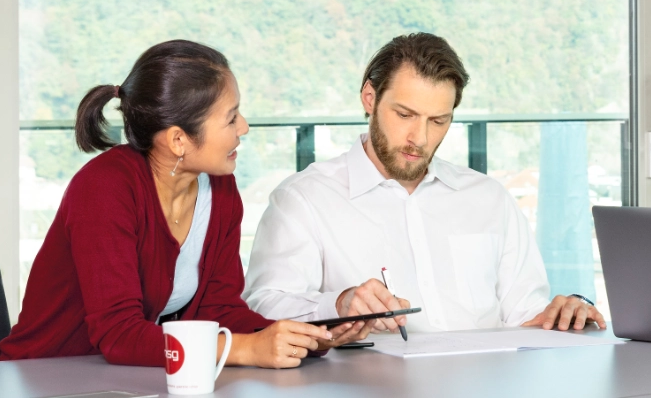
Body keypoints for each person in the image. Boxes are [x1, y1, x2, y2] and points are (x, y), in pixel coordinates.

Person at [0, 40, 345, 368]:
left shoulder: (219, 188)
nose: (244, 127)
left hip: (130, 384)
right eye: (231, 117)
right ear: (178, 139)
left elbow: (220, 310)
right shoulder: (104, 188)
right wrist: (246, 349)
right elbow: (119, 335)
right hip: (44, 382)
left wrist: (306, 336)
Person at [243, 32, 604, 340]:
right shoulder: (304, 199)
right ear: (370, 98)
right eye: (404, 115)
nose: (420, 137)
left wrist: (562, 314)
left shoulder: (489, 199)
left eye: (438, 121)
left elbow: (524, 315)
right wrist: (338, 304)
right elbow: (264, 306)